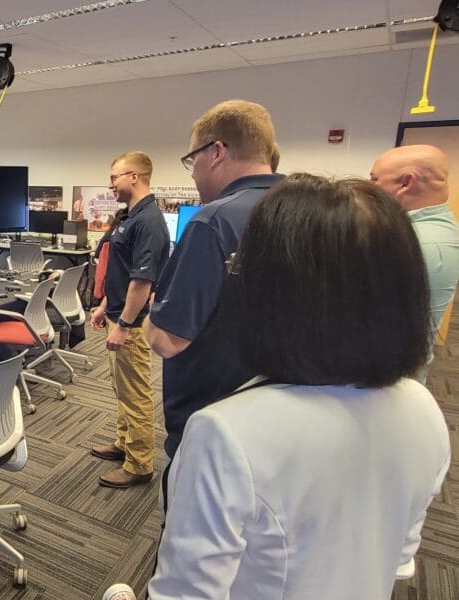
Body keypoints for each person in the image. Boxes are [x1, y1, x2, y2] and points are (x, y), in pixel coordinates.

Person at [148, 174, 449, 598]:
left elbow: (184, 594)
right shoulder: (423, 408)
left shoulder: (228, 432)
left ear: (270, 289)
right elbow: (399, 561)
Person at [145, 99, 283, 508]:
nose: (195, 173)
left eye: (193, 160)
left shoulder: (212, 221)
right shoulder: (316, 206)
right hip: (287, 421)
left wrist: (154, 310)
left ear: (217, 151)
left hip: (215, 424)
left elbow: (169, 339)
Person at [89, 151, 169, 488]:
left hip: (132, 325)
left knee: (136, 392)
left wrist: (123, 325)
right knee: (121, 387)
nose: (111, 184)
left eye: (115, 177)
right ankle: (124, 444)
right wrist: (104, 304)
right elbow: (121, 270)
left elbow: (142, 282)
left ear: (134, 176)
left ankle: (139, 464)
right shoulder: (130, 216)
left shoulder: (148, 220)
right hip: (118, 314)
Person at [370, 144, 459, 381]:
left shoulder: (419, 245)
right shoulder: (430, 228)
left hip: (385, 381)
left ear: (406, 183)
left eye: (374, 179)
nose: (369, 188)